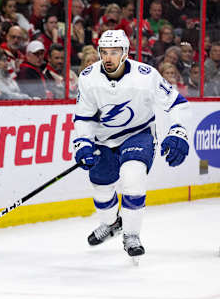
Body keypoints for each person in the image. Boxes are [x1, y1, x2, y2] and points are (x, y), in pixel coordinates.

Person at [73, 30, 190, 261]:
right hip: (103, 139)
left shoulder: (146, 76)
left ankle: (132, 235)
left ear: (125, 53)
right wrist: (83, 143)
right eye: (104, 52)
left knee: (132, 176)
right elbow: (84, 117)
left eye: (114, 53)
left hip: (138, 134)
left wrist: (178, 132)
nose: (108, 58)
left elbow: (178, 104)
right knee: (102, 188)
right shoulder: (88, 77)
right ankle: (111, 224)